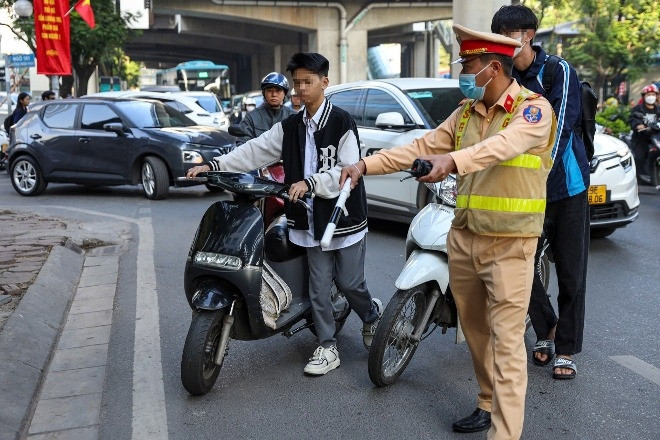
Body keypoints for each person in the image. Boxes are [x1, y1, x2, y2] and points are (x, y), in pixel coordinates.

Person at [341, 25, 555, 439]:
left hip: (511, 245)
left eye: (468, 65)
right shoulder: (464, 113)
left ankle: (504, 434)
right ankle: (487, 401)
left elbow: (501, 147)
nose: (462, 71)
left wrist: (452, 161)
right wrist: (365, 166)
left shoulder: (533, 110)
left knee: (508, 345)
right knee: (475, 332)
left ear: (492, 68)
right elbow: (420, 147)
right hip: (463, 237)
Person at [187, 52, 382, 376]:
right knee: (318, 287)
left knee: (349, 283)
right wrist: (214, 166)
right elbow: (255, 149)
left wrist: (310, 182)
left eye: (308, 81)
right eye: (297, 83)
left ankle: (371, 317)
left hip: (342, 217)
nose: (301, 88)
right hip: (306, 219)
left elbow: (346, 171)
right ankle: (327, 345)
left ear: (324, 82)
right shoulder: (290, 126)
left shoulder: (341, 121)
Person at [491, 4, 590, 381]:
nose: (505, 44)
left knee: (571, 271)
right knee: (517, 266)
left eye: (510, 36)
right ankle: (546, 326)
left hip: (565, 188)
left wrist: (537, 176)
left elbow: (560, 129)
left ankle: (565, 347)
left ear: (528, 36)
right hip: (519, 192)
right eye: (498, 37)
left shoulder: (556, 71)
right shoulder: (499, 76)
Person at [235, 72, 296, 145]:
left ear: (285, 93)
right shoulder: (251, 118)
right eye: (270, 91)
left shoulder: (294, 117)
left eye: (278, 91)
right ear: (264, 93)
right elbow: (241, 145)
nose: (274, 94)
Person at [629, 84, 660, 183]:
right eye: (648, 94)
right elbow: (633, 120)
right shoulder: (638, 109)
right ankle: (636, 180)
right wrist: (638, 126)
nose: (651, 96)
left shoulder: (658, 109)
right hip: (641, 138)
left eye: (653, 94)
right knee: (639, 157)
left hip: (656, 137)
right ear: (644, 96)